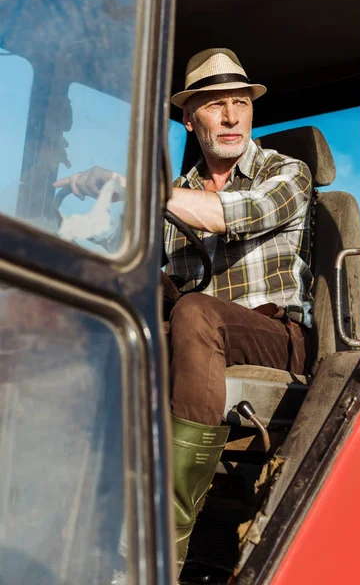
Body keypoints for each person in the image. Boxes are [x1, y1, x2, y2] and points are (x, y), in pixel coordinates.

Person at [53, 48, 313, 578]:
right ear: (191, 119)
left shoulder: (287, 174)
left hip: (276, 333)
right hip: (202, 336)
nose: (231, 116)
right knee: (123, 302)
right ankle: (69, 499)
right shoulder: (179, 192)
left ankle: (160, 548)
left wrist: (137, 188)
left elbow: (228, 216)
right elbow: (121, 247)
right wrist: (97, 200)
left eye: (240, 102)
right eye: (215, 105)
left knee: (195, 311)